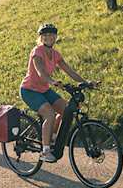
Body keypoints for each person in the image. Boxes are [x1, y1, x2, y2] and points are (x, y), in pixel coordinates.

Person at [20, 23, 92, 162]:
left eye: (51, 35)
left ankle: (51, 136)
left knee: (66, 111)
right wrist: (52, 81)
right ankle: (45, 151)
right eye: (45, 35)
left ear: (55, 37)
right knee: (50, 114)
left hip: (44, 90)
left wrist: (86, 82)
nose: (48, 37)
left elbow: (69, 70)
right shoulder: (37, 52)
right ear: (41, 38)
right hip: (29, 90)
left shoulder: (55, 54)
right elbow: (41, 73)